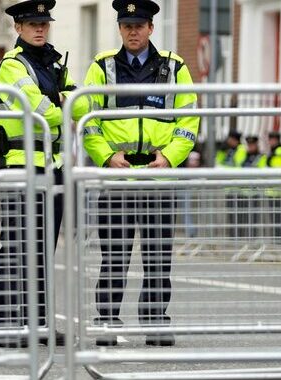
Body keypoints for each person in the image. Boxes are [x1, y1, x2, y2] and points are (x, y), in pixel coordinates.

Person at [82, 0, 199, 347]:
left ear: (151, 28)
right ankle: (106, 320)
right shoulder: (102, 67)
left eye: (140, 25)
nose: (133, 31)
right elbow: (87, 122)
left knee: (158, 257)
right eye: (127, 25)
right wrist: (105, 157)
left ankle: (155, 321)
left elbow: (189, 119)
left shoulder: (175, 67)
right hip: (117, 180)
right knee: (114, 257)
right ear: (120, 29)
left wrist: (170, 158)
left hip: (158, 178)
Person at [0, 0, 85, 348]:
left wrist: (62, 100)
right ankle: (6, 324)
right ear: (18, 28)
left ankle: (39, 323)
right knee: (17, 245)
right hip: (22, 166)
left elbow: (83, 102)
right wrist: (63, 102)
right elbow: (38, 108)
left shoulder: (55, 62)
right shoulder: (12, 66)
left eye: (44, 23)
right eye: (32, 24)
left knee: (43, 249)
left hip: (54, 168)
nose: (40, 28)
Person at [236, 136, 267, 238]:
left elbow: (262, 172)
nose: (250, 147)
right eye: (249, 145)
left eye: (252, 145)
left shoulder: (261, 156)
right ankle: (240, 239)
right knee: (240, 218)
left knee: (253, 218)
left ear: (256, 144)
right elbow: (238, 167)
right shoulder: (243, 154)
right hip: (242, 192)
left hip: (254, 192)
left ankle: (252, 238)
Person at [265, 131, 281, 240]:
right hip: (274, 190)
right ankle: (277, 239)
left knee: (277, 218)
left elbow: (278, 169)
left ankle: (278, 240)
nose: (270, 142)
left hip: (277, 190)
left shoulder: (278, 151)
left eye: (272, 139)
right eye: (270, 139)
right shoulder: (275, 151)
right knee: (275, 218)